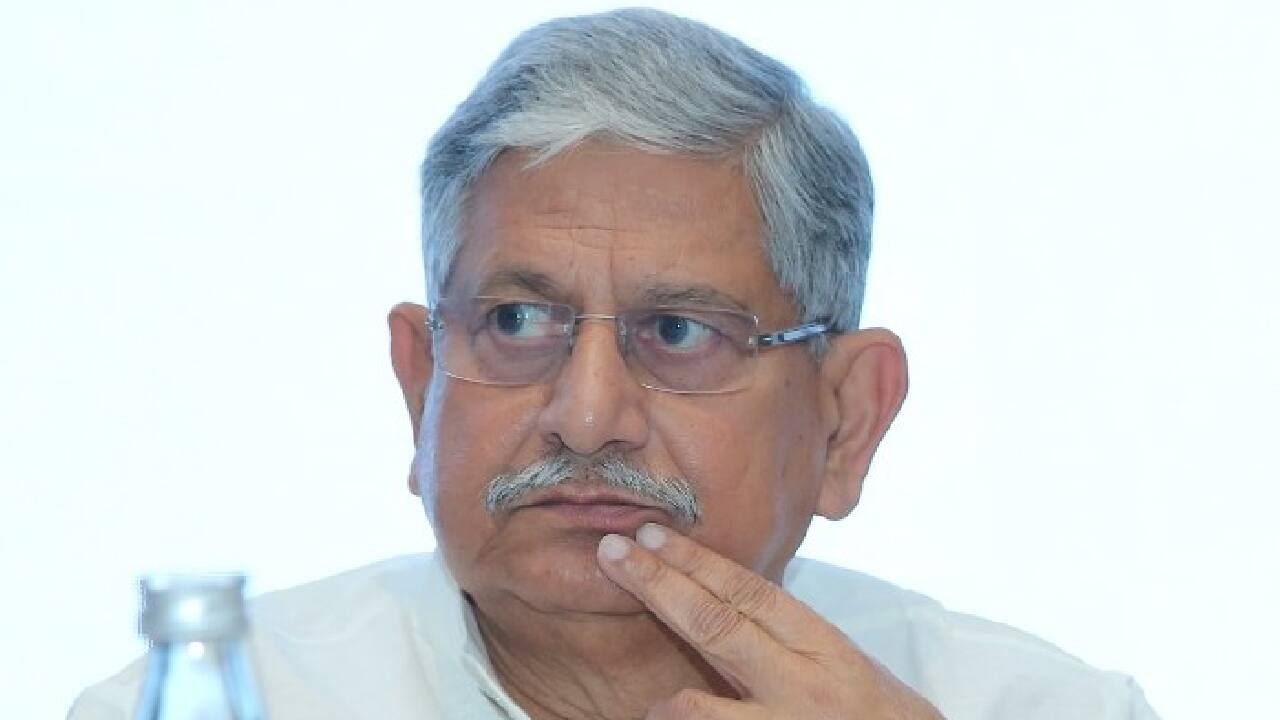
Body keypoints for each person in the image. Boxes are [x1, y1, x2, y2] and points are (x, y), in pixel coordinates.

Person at [70, 8, 1160, 720]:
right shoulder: (208, 698)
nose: (587, 416)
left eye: (679, 332)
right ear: (420, 383)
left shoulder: (1036, 709)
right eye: (515, 320)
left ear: (845, 422)